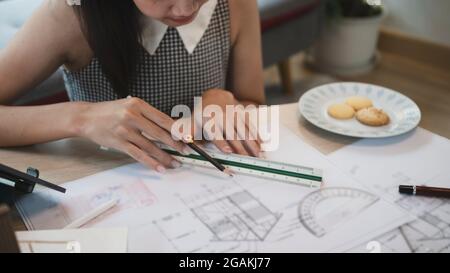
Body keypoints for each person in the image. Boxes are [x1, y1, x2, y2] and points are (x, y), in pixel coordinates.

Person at [0, 0, 265, 172]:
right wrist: (81, 118)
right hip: (103, 187)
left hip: (203, 181)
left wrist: (226, 101)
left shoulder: (235, 4)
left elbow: (253, 102)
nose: (185, 9)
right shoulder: (72, 16)